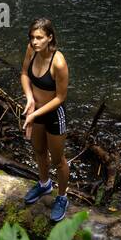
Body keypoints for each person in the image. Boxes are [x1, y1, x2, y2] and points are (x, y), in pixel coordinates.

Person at [20, 17, 69, 221]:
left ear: (50, 37)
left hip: (53, 114)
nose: (35, 42)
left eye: (39, 38)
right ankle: (44, 184)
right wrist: (30, 98)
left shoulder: (58, 63)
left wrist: (35, 114)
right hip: (36, 109)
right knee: (39, 150)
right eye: (32, 37)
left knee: (57, 160)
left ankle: (62, 197)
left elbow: (60, 97)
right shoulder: (32, 51)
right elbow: (24, 74)